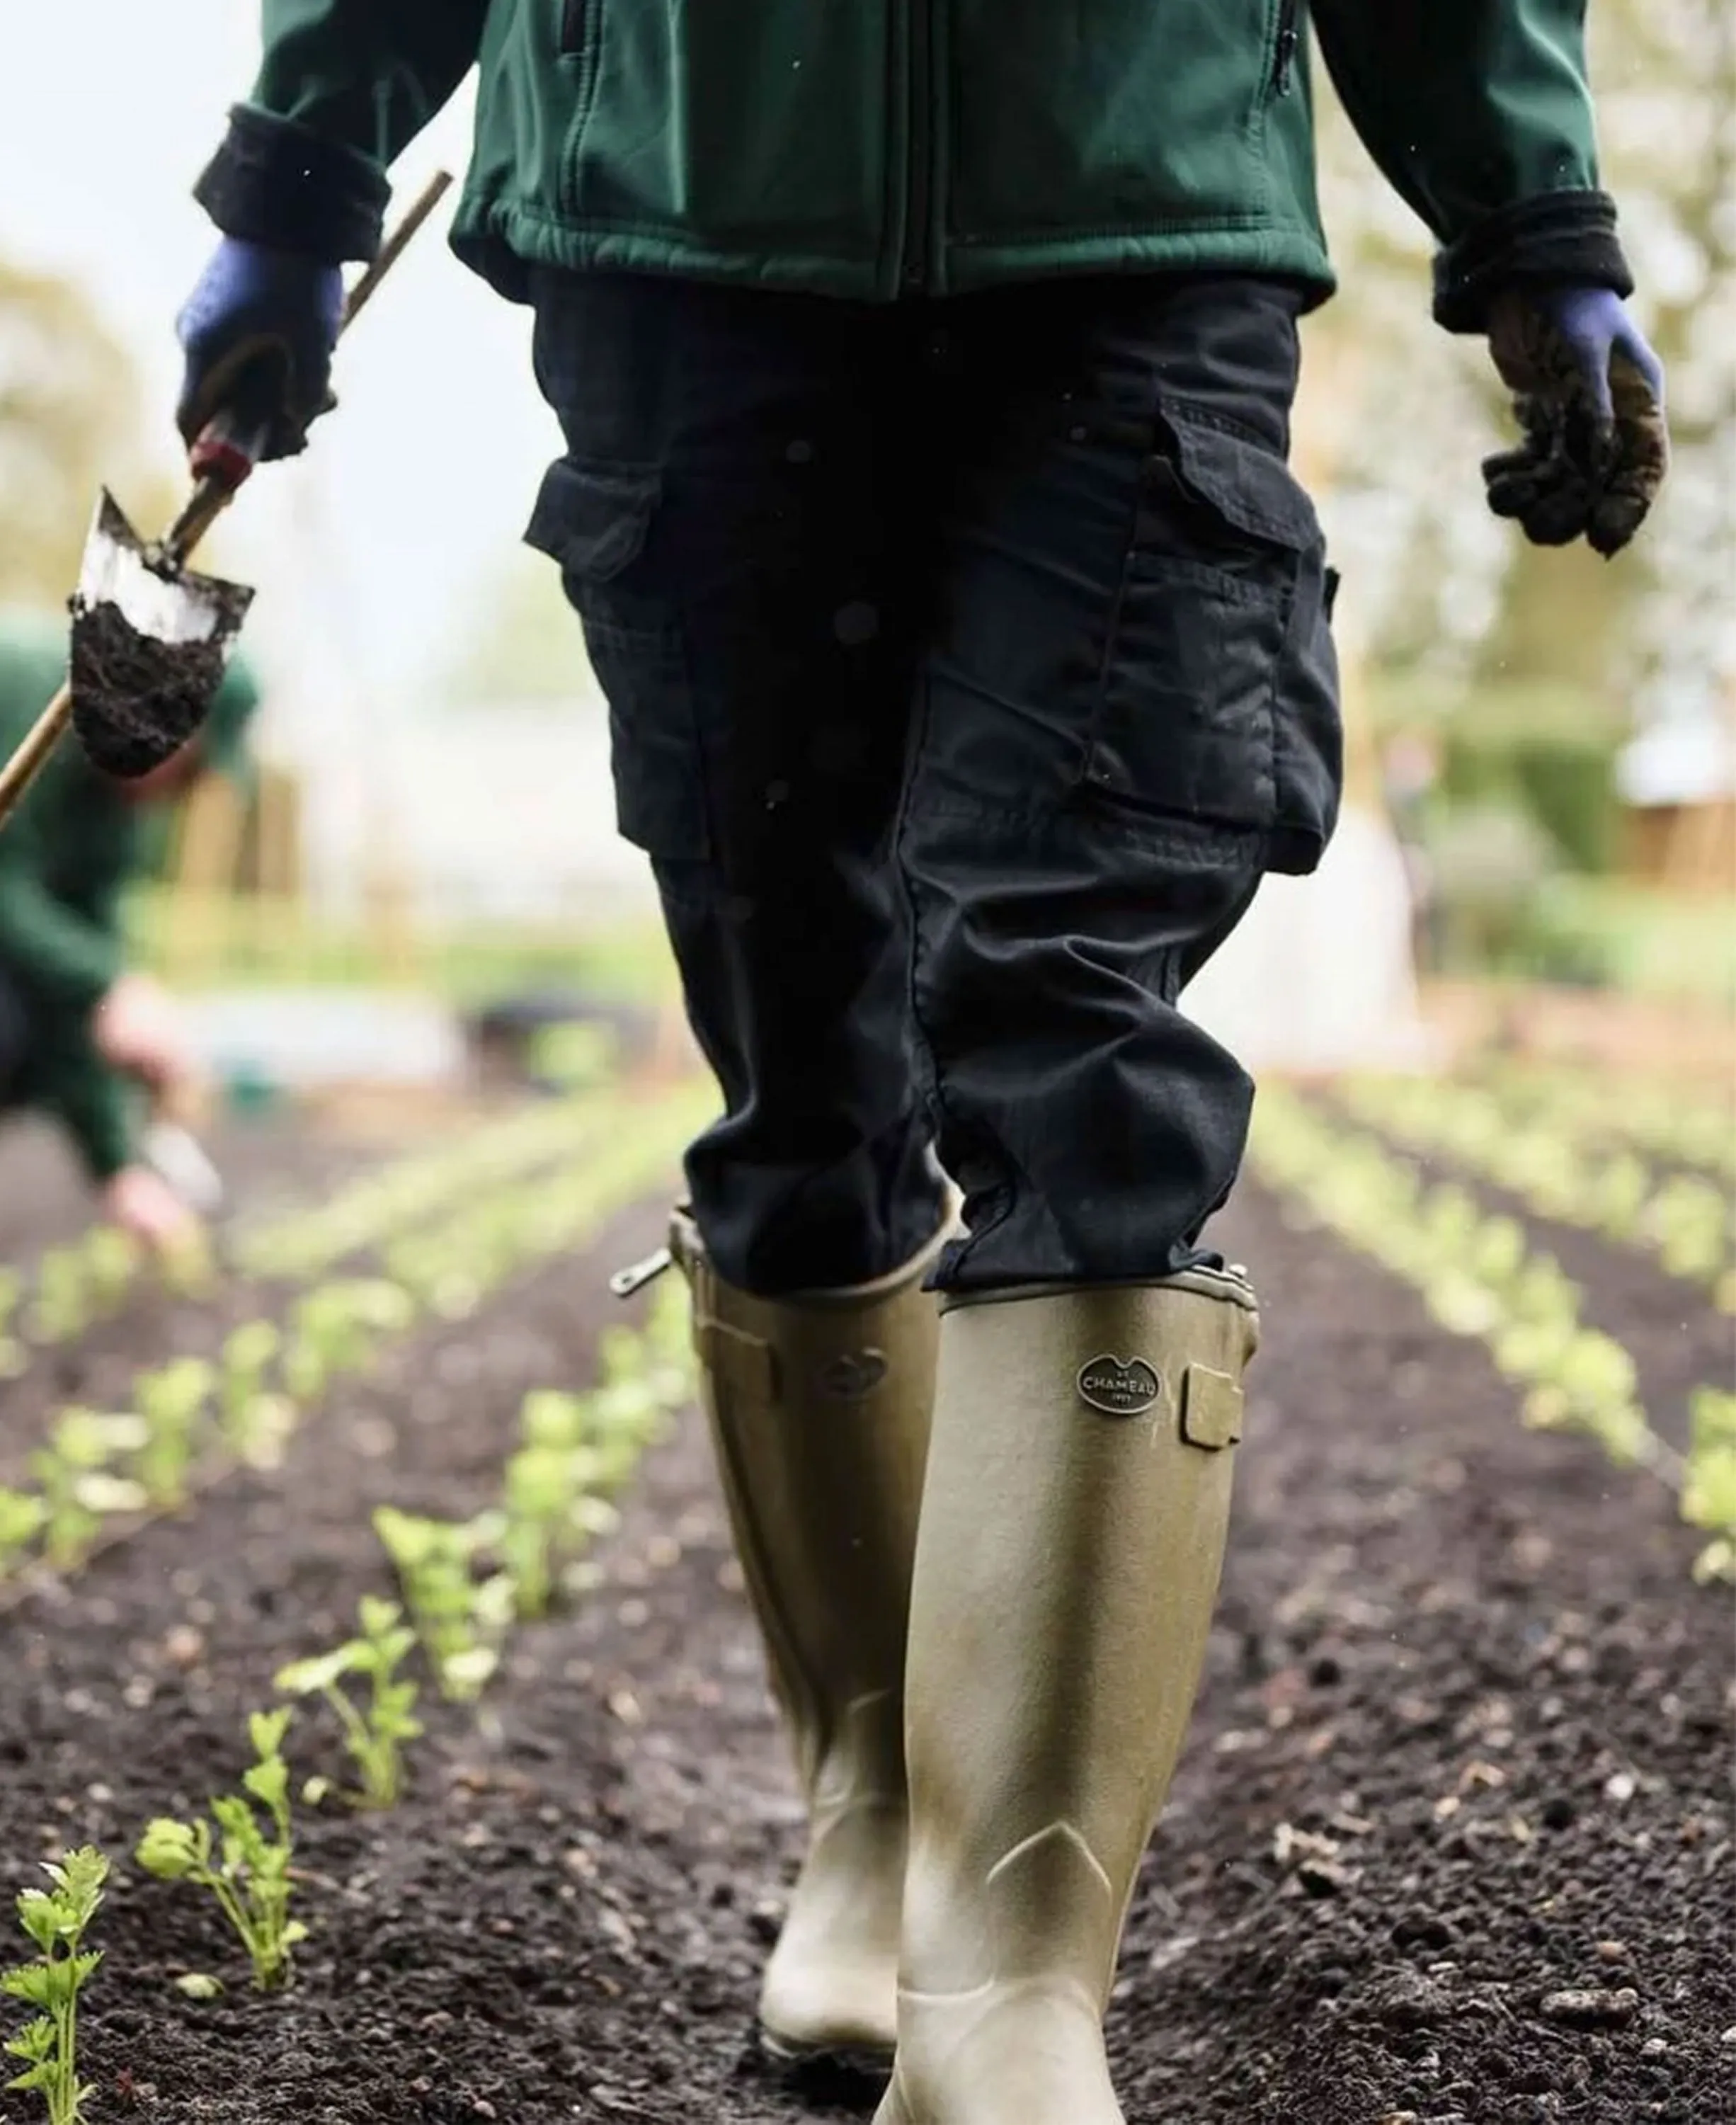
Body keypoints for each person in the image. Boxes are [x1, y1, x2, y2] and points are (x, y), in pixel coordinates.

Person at [174, 10, 1668, 2117]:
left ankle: (1009, 1987)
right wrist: (300, 173)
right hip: (679, 233)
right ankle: (874, 1813)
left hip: (1127, 227)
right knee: (801, 1071)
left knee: (1080, 1033)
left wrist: (1532, 209)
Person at [0, 620, 259, 1255]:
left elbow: (75, 986)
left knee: (31, 1030)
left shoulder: (115, 806)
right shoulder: (34, 699)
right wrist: (110, 984)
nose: (176, 791)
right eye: (189, 765)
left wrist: (118, 1170)